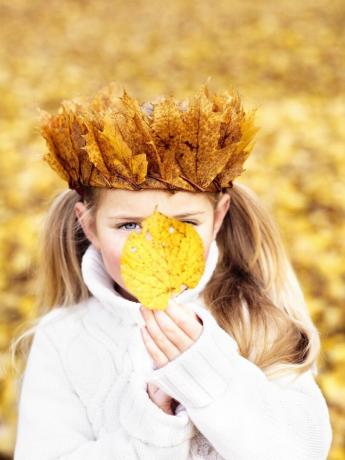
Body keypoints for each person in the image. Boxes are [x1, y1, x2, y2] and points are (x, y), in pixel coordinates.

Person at [12, 82, 332, 459]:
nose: (157, 247)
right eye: (129, 225)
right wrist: (153, 427)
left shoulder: (256, 319)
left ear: (218, 219)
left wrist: (207, 373)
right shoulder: (63, 340)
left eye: (185, 224)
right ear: (89, 227)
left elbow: (303, 451)